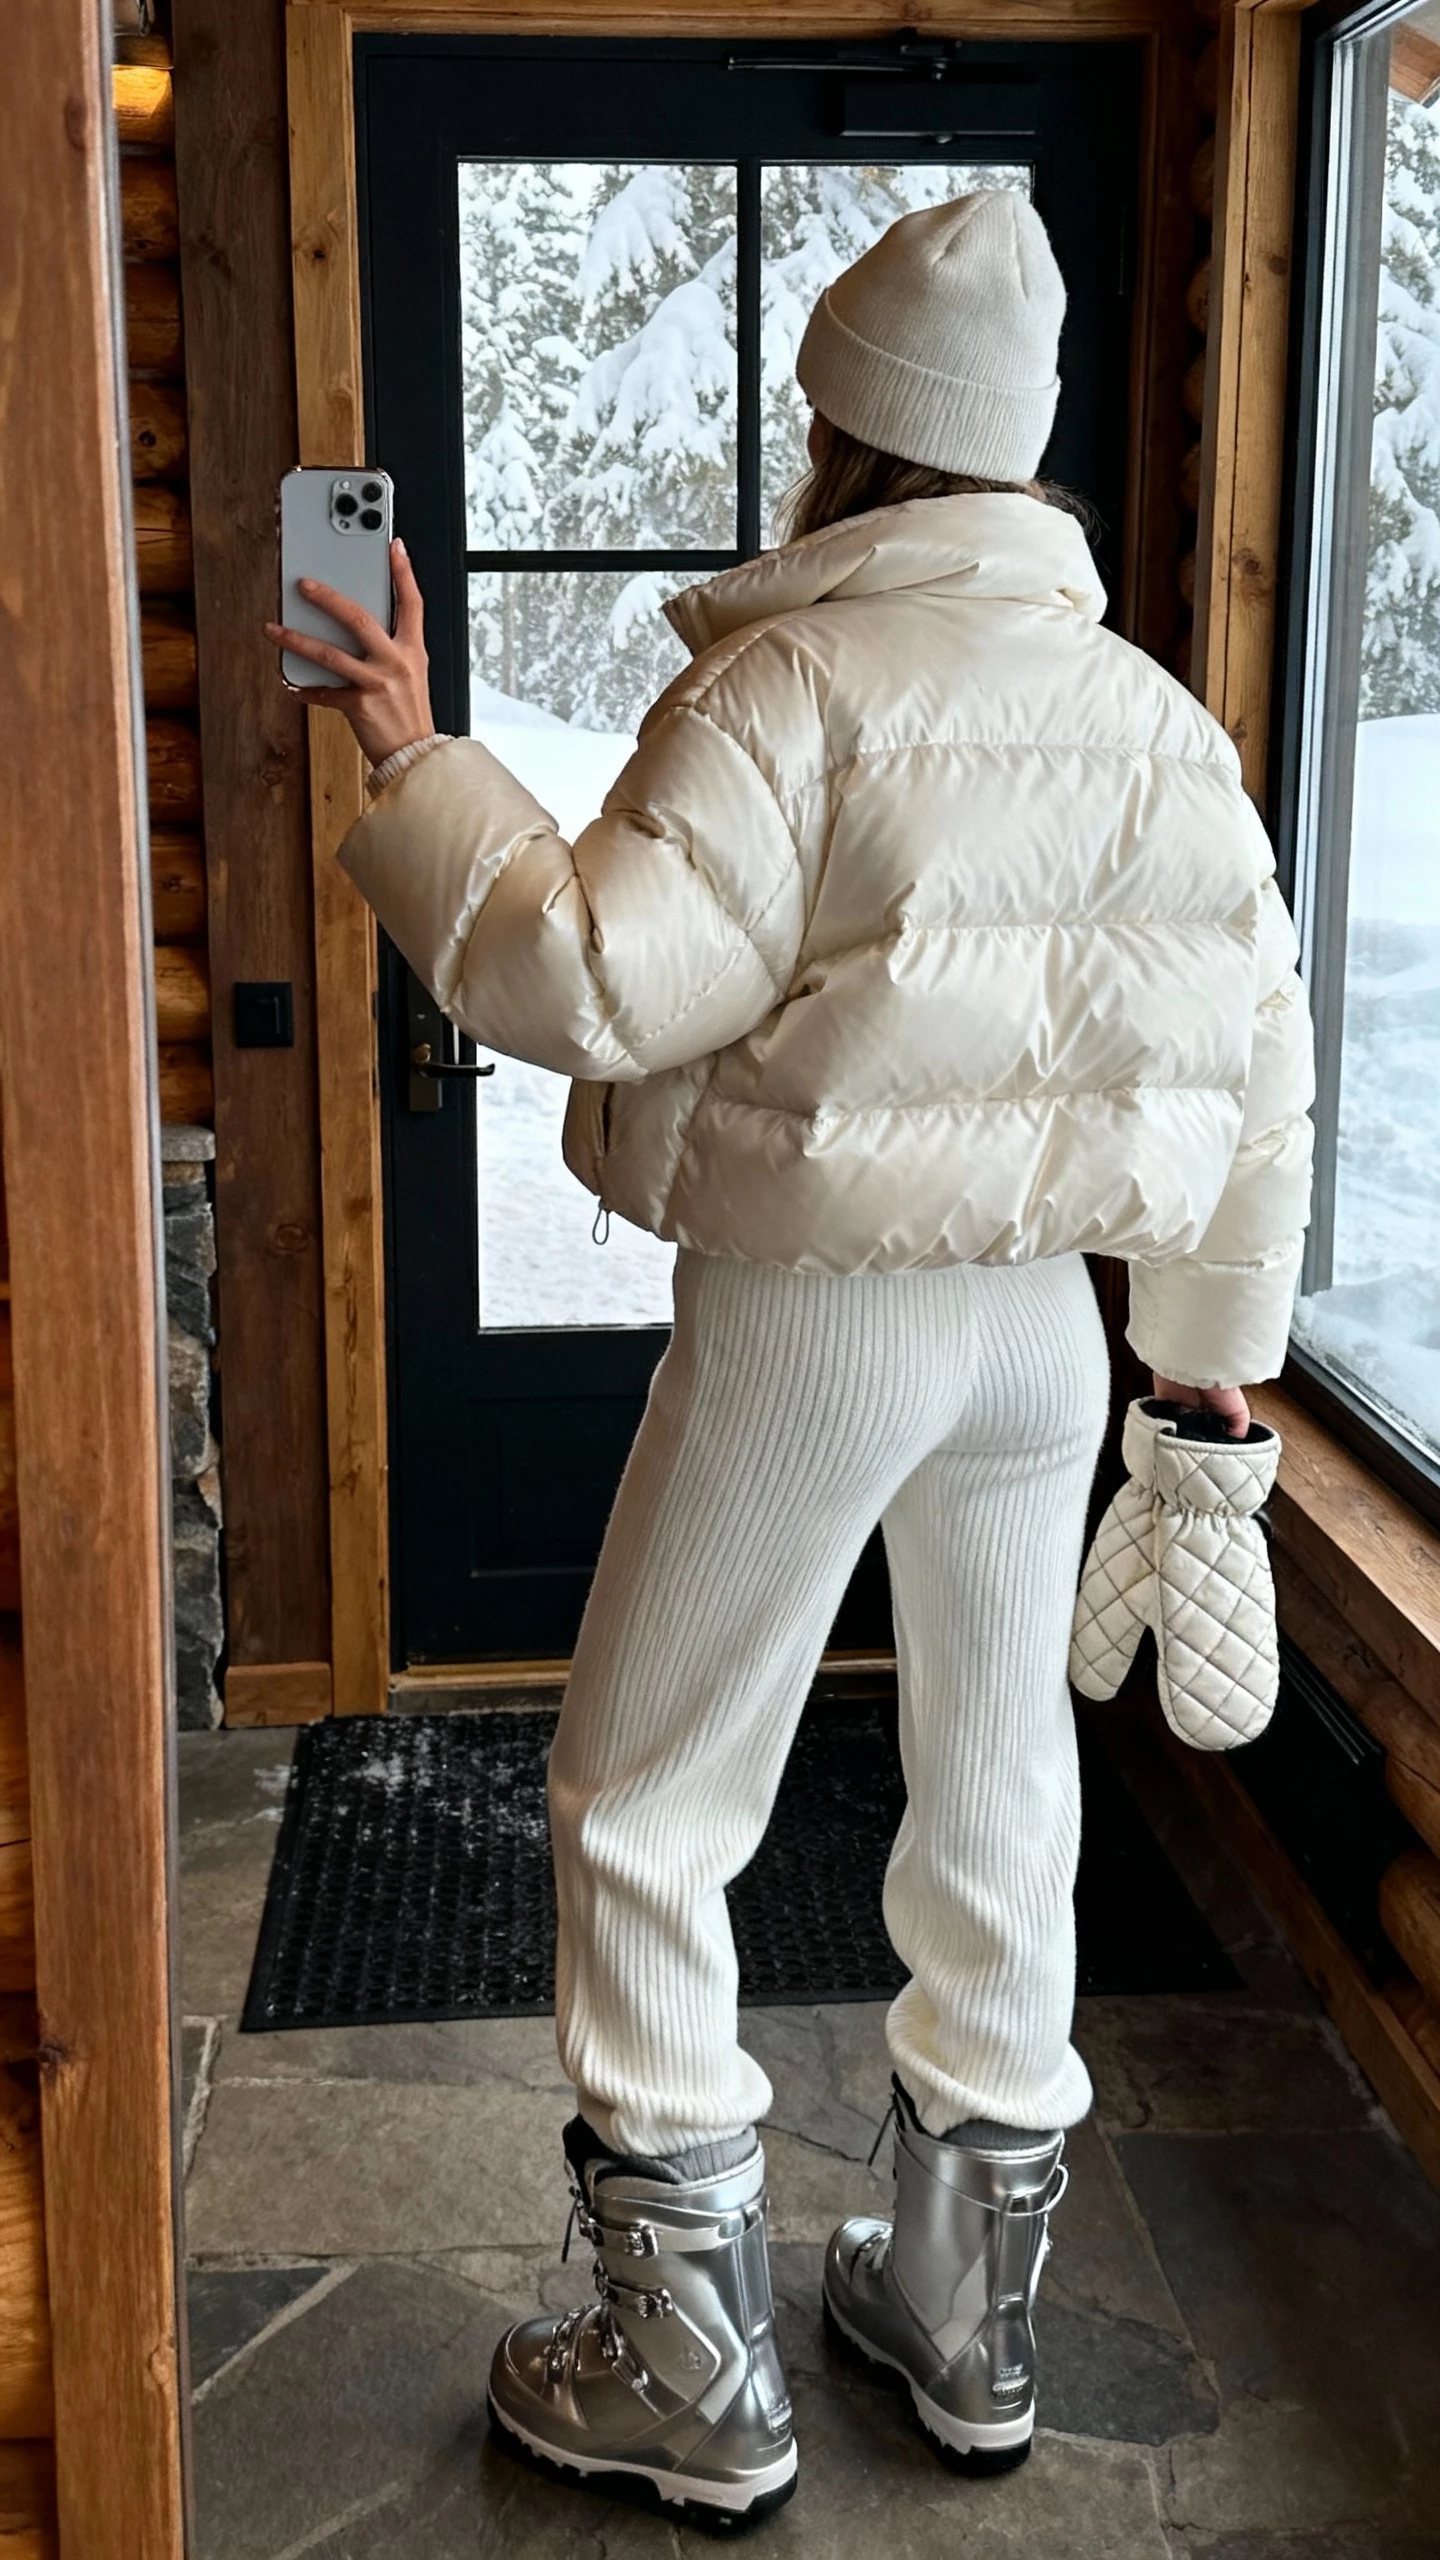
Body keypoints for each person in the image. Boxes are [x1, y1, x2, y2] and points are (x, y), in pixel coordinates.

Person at [268, 192, 1313, 2530]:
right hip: (1044, 1333)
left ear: (841, 433)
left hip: (818, 1313)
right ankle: (964, 2307)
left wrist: (411, 750)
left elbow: (590, 981)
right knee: (996, 1775)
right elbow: (1264, 1064)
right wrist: (1213, 1369)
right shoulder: (1158, 721)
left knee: (645, 1789)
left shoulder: (785, 688)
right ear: (1017, 460)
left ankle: (687, 2354)